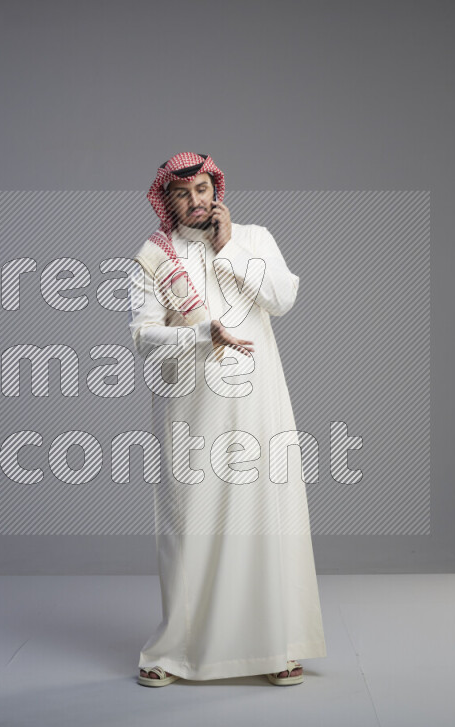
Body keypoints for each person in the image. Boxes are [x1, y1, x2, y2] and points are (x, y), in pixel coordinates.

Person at [127, 152, 327, 686]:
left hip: (259, 407)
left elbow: (283, 298)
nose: (196, 201)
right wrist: (199, 335)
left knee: (267, 517)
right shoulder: (153, 258)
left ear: (216, 190)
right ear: (166, 201)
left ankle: (278, 646)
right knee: (189, 528)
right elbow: (142, 338)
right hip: (191, 411)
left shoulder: (255, 239)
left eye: (203, 190)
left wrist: (229, 249)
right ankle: (175, 651)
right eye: (182, 193)